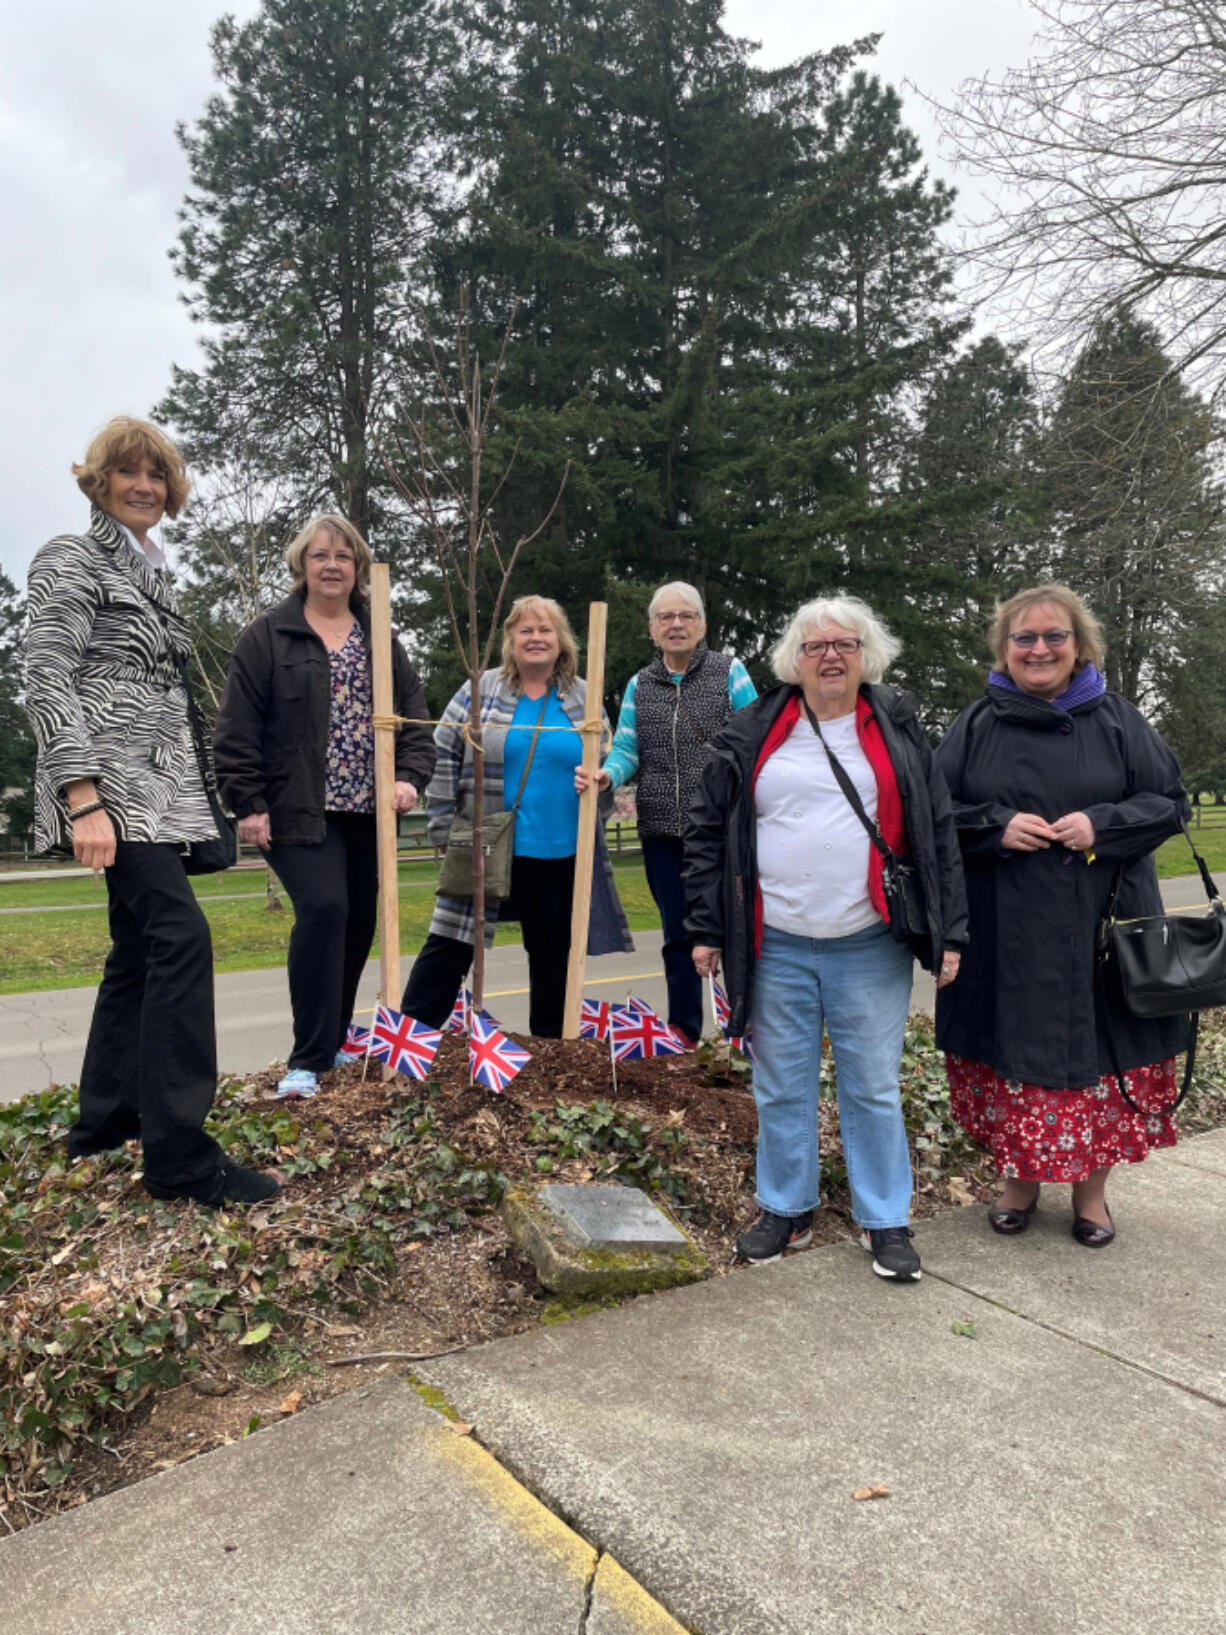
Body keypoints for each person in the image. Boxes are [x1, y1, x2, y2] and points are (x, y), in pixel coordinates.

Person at [24, 416, 279, 1207]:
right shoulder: (70, 557)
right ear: (99, 479)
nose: (144, 485)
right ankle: (179, 1156)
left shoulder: (153, 570)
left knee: (136, 950)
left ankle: (105, 1121)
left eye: (157, 475)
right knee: (182, 937)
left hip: (160, 794)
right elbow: (45, 674)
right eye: (127, 472)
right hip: (110, 790)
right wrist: (83, 798)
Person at [685, 595, 968, 1280]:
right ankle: (788, 1207)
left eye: (844, 643)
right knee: (781, 1086)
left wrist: (949, 929)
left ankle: (884, 1217)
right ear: (795, 659)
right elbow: (707, 829)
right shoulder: (755, 730)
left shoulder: (896, 726)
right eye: (816, 647)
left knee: (871, 1086)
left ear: (866, 654)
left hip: (869, 942)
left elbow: (937, 834)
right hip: (774, 942)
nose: (831, 656)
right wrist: (705, 924)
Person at [936, 585, 1189, 1248]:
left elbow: (1168, 803)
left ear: (1079, 646)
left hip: (1102, 930)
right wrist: (994, 826)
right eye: (1025, 637)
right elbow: (932, 816)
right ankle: (1018, 1183)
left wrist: (1101, 825)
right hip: (1003, 934)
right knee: (1011, 1058)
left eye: (1054, 636)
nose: (1039, 648)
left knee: (1102, 1063)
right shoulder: (975, 725)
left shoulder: (1118, 719)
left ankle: (1093, 1196)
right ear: (1005, 648)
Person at [214, 515, 435, 1097]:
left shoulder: (380, 637)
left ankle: (335, 1035)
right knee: (325, 909)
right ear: (301, 566)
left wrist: (410, 776)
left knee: (359, 919)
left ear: (358, 568)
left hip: (369, 809)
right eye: (320, 555)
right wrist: (248, 802)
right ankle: (307, 1058)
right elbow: (236, 727)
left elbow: (413, 718)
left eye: (343, 556)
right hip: (295, 808)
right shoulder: (268, 636)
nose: (332, 565)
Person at [401, 595, 634, 1037]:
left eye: (545, 629)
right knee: (450, 945)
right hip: (487, 845)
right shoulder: (480, 690)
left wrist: (601, 782)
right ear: (510, 639)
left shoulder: (585, 696)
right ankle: (408, 1043)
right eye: (525, 630)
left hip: (560, 850)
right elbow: (443, 754)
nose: (536, 638)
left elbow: (605, 766)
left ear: (561, 639)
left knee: (552, 958)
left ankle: (549, 1055)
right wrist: (442, 826)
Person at [575, 582, 756, 1046]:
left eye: (686, 616)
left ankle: (746, 1031)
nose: (677, 625)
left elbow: (755, 741)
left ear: (702, 625)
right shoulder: (640, 684)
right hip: (661, 829)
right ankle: (684, 1033)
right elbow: (629, 748)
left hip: (722, 830)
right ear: (652, 628)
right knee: (678, 935)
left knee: (735, 928)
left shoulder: (730, 672)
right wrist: (607, 776)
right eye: (666, 617)